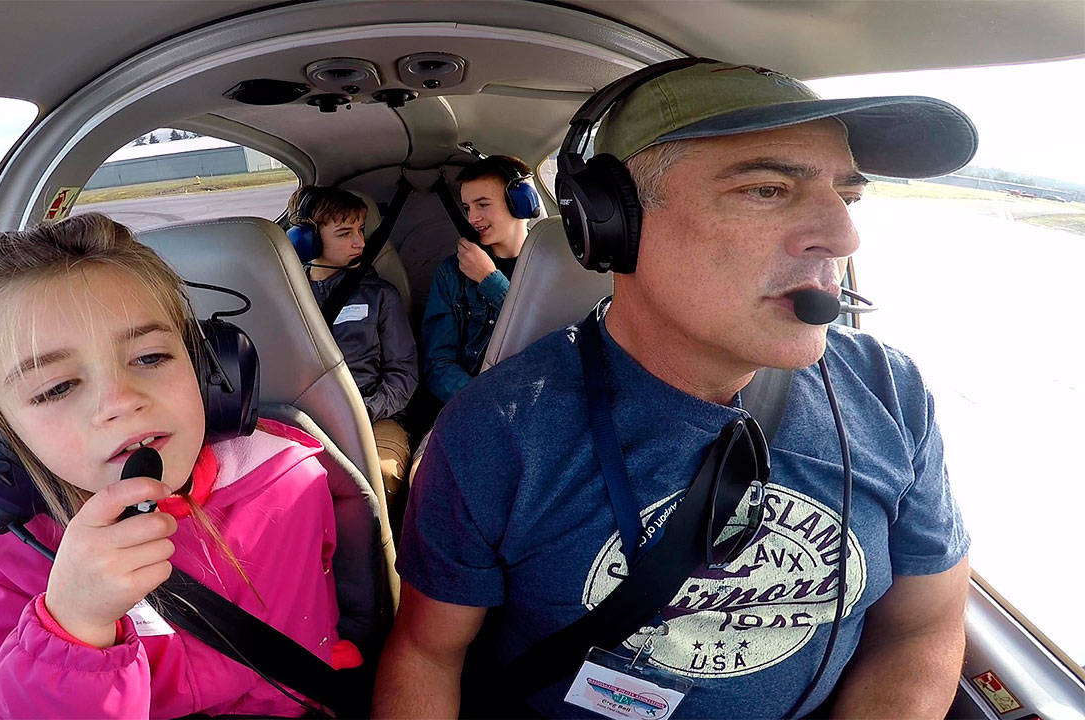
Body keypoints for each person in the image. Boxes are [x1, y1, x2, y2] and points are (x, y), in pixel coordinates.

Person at [377, 60, 973, 718]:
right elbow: (428, 656)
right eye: (768, 190)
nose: (842, 236)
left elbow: (922, 628)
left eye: (849, 196)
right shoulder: (492, 433)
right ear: (612, 221)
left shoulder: (892, 393)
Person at [0, 213, 360, 717]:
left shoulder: (289, 475)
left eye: (149, 357)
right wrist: (73, 627)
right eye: (56, 387)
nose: (120, 401)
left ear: (209, 368)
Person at [287, 185, 418, 502]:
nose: (360, 242)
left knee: (381, 474)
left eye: (360, 230)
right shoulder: (286, 296)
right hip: (305, 420)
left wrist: (361, 412)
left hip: (375, 417)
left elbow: (404, 374)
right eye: (345, 233)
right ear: (309, 240)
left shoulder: (380, 295)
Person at [420, 155, 536, 404]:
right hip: (473, 403)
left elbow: (551, 339)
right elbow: (439, 365)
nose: (472, 218)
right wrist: (487, 403)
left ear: (520, 203)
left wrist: (490, 280)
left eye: (482, 205)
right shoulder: (451, 272)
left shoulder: (551, 265)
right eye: (467, 208)